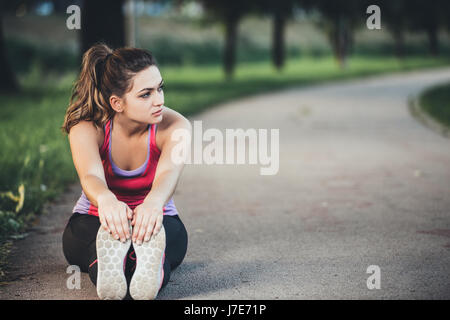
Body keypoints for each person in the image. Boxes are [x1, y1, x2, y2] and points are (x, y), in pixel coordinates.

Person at [61, 43, 190, 300]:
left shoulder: (176, 127)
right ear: (117, 103)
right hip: (96, 219)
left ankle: (146, 266)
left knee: (167, 239)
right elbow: (91, 176)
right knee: (86, 243)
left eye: (160, 88)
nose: (160, 100)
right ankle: (118, 263)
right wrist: (107, 201)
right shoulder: (87, 127)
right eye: (146, 94)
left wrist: (153, 204)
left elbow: (167, 176)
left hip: (157, 218)